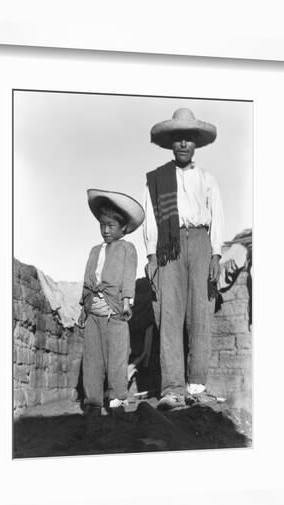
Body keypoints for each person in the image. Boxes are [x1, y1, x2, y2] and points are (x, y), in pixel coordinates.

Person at [143, 107, 225, 408]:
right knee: (170, 315)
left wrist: (216, 254)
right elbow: (152, 219)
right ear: (170, 143)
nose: (183, 144)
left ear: (196, 144)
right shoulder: (156, 179)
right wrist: (152, 255)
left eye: (188, 139)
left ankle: (196, 385)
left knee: (200, 314)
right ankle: (172, 388)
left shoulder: (208, 179)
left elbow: (218, 217)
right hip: (169, 244)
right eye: (178, 138)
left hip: (201, 242)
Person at [78, 189, 145, 416]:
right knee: (92, 359)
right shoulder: (94, 251)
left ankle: (117, 397)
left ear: (123, 228)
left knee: (116, 357)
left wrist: (126, 302)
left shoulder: (127, 249)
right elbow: (88, 279)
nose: (106, 230)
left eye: (111, 226)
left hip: (114, 312)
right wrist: (83, 308)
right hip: (93, 313)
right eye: (102, 225)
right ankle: (93, 400)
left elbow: (128, 277)